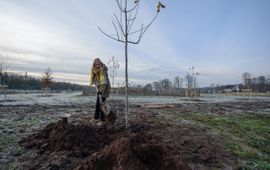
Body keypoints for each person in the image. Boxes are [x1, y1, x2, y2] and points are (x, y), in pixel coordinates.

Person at [90, 58, 111, 123]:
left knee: (100, 104)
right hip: (100, 89)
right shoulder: (96, 71)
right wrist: (98, 89)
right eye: (96, 64)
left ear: (100, 63)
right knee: (99, 104)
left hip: (104, 89)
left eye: (98, 64)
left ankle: (101, 119)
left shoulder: (102, 71)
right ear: (94, 65)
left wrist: (101, 91)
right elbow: (96, 81)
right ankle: (98, 118)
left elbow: (104, 82)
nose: (97, 65)